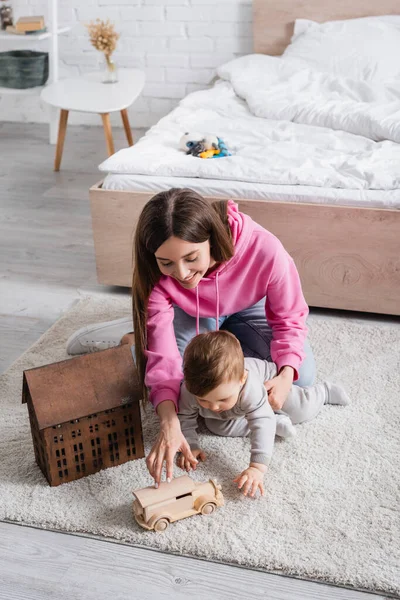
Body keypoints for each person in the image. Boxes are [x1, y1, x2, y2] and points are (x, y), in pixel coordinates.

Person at [67, 188, 316, 485]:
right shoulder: (160, 277)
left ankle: (180, 332)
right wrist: (169, 421)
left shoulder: (265, 248)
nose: (182, 273)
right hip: (189, 309)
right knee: (186, 382)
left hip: (248, 307)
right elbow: (165, 365)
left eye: (191, 257)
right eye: (167, 263)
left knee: (300, 378)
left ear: (211, 238)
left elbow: (289, 317)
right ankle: (135, 338)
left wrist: (286, 373)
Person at [177, 330, 349, 498]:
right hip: (234, 412)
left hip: (268, 385)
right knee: (215, 425)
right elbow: (185, 417)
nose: (213, 406)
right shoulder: (190, 390)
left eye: (222, 399)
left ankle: (323, 393)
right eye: (203, 400)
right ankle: (276, 422)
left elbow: (261, 420)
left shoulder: (250, 387)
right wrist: (191, 445)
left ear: (241, 380)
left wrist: (257, 467)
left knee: (300, 409)